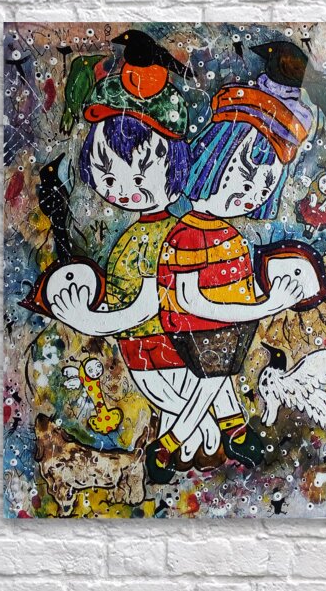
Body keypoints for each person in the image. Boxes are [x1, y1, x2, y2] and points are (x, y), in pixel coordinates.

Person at [47, 57, 221, 465]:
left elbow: (147, 304)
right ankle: (192, 446)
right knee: (178, 417)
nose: (123, 190)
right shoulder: (132, 237)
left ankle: (196, 442)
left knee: (181, 414)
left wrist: (88, 321)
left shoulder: (166, 238)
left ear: (176, 170)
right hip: (142, 348)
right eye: (109, 177)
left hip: (164, 346)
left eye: (140, 178)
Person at [148, 72, 314, 482]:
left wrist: (264, 296)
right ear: (213, 157)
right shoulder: (189, 234)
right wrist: (264, 306)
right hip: (195, 327)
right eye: (245, 173)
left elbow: (236, 283)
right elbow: (189, 300)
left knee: (220, 376)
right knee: (214, 379)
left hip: (224, 328)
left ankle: (235, 431)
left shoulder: (230, 235)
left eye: (266, 184)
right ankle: (167, 447)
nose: (253, 191)